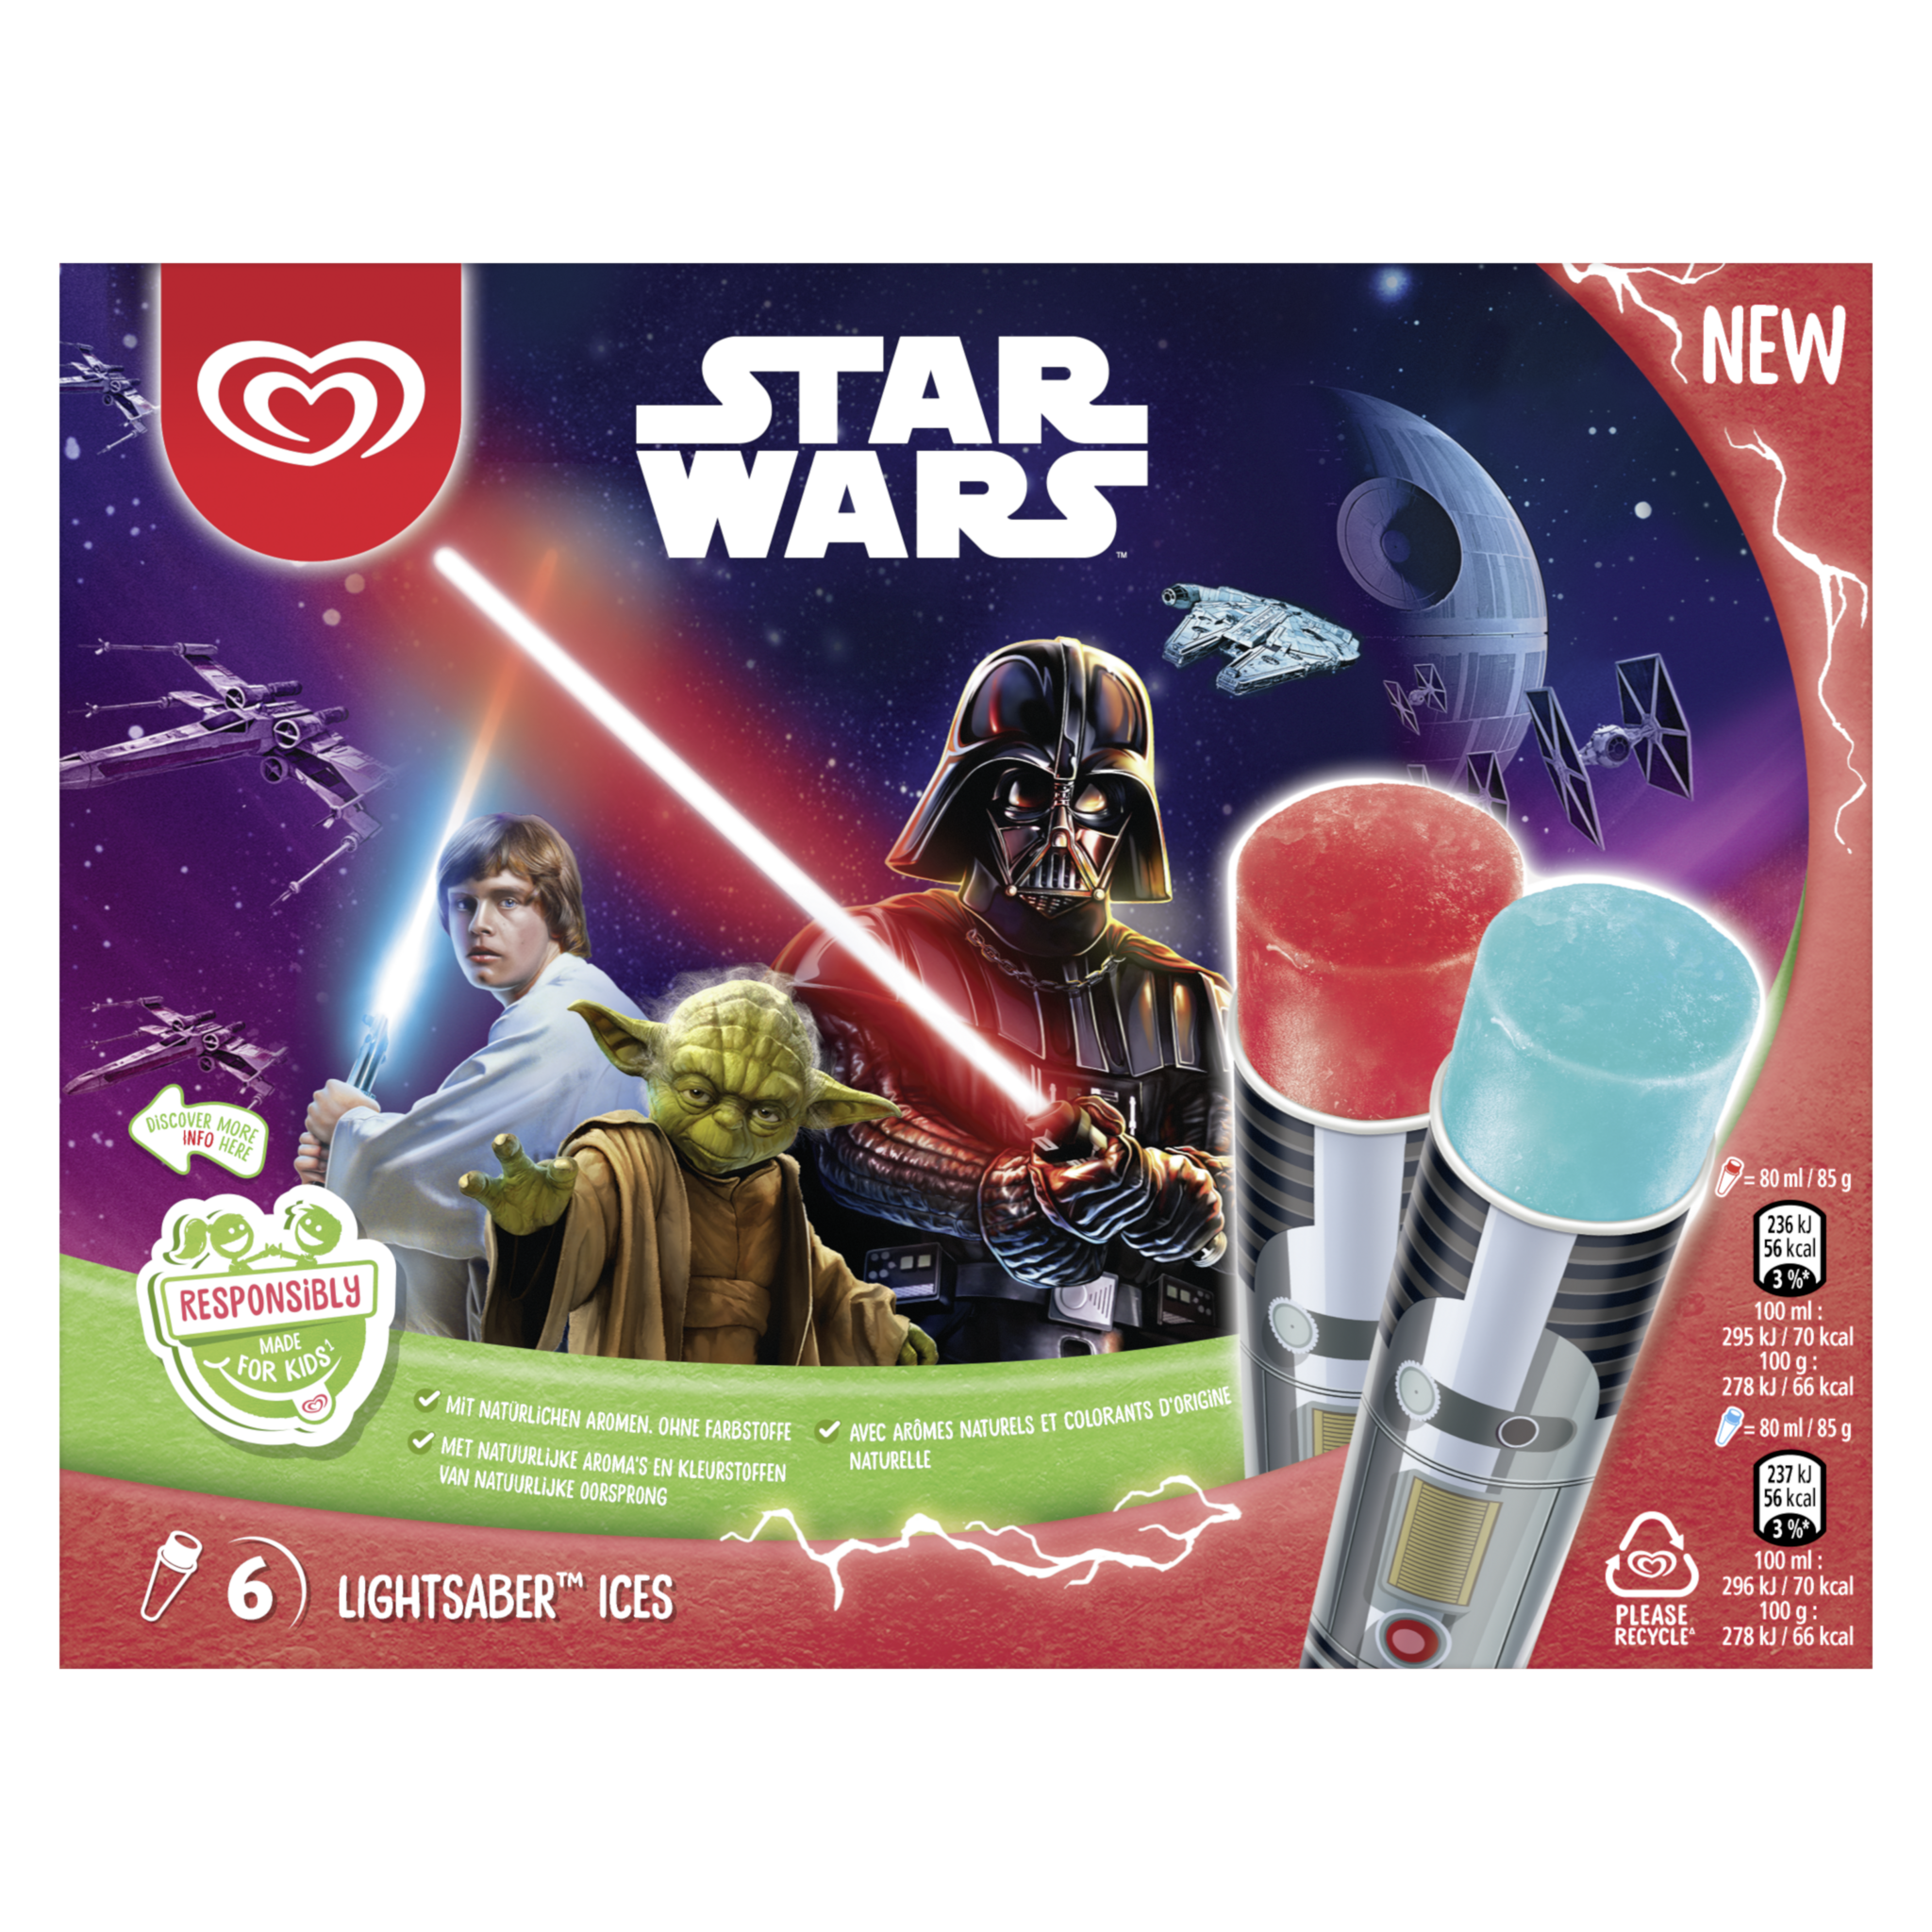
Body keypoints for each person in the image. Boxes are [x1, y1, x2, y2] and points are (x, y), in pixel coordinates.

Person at [773, 636, 1232, 1363]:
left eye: (1093, 798)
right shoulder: (872, 950)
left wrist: (1181, 1192)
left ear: (1128, 813)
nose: (1062, 833)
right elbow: (849, 1133)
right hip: (927, 1358)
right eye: (1027, 791)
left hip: (1147, 1371)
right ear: (970, 795)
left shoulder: (1191, 1000)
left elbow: (1277, 1188)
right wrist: (995, 1194)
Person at [460, 975, 938, 1368]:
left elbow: (819, 1284)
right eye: (698, 1093)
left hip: (749, 1412)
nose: (728, 1122)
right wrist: (542, 1232)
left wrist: (883, 1330)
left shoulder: (774, 1190)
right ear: (635, 1055)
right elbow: (582, 1228)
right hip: (653, 1408)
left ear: (811, 1115)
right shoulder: (622, 1163)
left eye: (766, 1112)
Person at [295, 814, 646, 1340]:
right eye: (463, 904)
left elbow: (447, 1167)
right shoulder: (571, 1000)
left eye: (508, 900)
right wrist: (347, 1159)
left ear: (555, 912)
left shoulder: (565, 1017)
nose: (480, 924)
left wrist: (349, 1131)